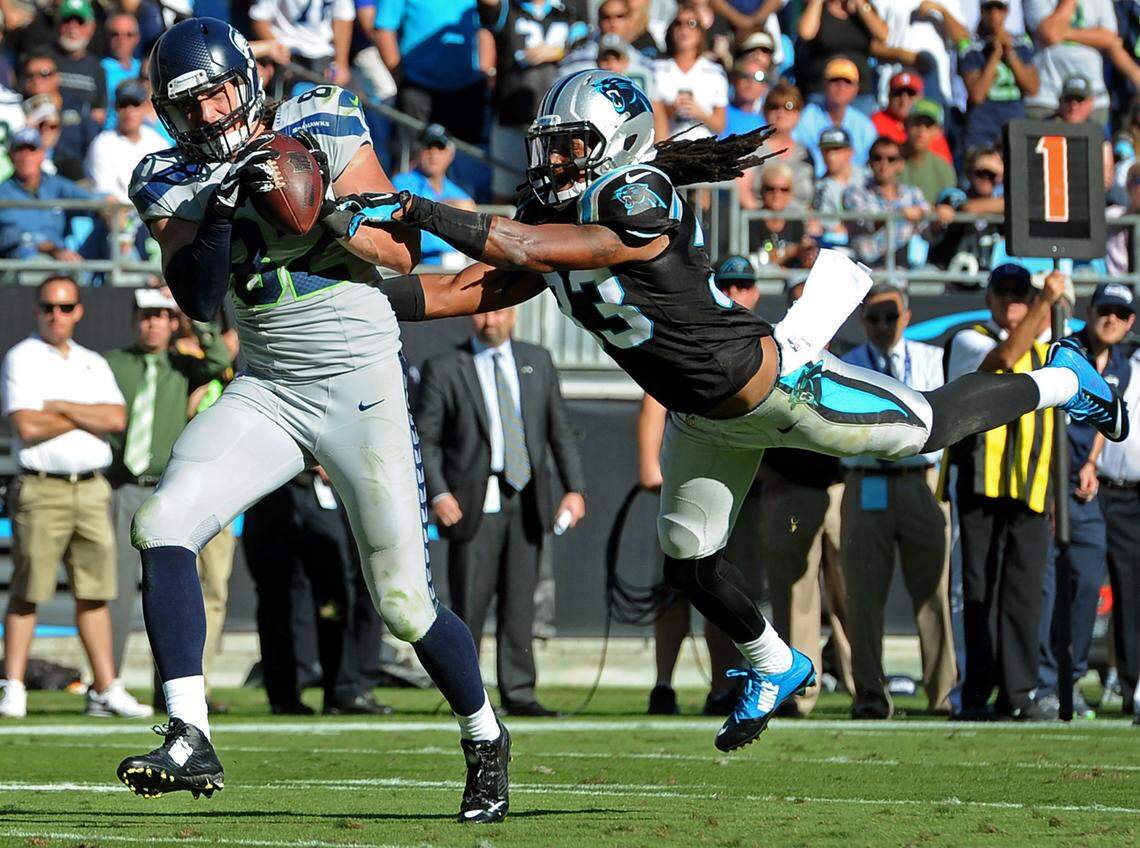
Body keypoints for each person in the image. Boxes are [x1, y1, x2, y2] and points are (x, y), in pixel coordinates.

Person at [344, 68, 1127, 750]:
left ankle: (1064, 379)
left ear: (614, 145)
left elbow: (524, 250)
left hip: (780, 387)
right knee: (687, 559)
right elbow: (459, 288)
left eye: (570, 145)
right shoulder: (557, 224)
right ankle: (774, 662)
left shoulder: (634, 193)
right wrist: (344, 294)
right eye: (549, 145)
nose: (553, 161)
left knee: (926, 425)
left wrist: (414, 208)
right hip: (702, 418)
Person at [116, 18, 511, 823]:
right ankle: (190, 732)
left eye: (219, 90)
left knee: (402, 603)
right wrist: (226, 208)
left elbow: (402, 253)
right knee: (161, 522)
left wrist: (320, 205)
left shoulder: (322, 118)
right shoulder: (167, 177)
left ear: (248, 77)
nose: (209, 113)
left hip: (361, 379)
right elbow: (194, 294)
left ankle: (484, 734)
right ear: (166, 113)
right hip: (268, 387)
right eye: (188, 105)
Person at [415, 307, 587, 717]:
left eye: (498, 312)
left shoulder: (538, 360)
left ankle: (520, 691)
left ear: (514, 314)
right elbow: (427, 438)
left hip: (527, 496)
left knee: (520, 603)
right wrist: (438, 493)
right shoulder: (445, 367)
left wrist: (575, 489)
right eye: (482, 315)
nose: (490, 321)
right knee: (468, 600)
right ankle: (465, 696)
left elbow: (558, 430)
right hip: (474, 499)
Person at [0, 275, 150, 720]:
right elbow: (26, 426)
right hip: (41, 485)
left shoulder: (91, 362)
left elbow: (117, 417)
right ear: (37, 310)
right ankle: (13, 685)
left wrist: (56, 407)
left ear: (79, 310)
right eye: (49, 306)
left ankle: (105, 687)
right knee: (29, 590)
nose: (56, 315)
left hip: (91, 485)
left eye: (65, 307)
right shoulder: (21, 357)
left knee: (96, 591)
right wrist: (85, 415)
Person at [943, 264, 1069, 720]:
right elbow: (1003, 361)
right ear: (990, 298)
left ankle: (1020, 692)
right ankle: (975, 691)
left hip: (1032, 482)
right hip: (979, 479)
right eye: (1006, 293)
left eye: (1023, 293)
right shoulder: (968, 338)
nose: (1014, 301)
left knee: (1024, 590)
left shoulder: (1052, 343)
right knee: (976, 587)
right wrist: (1046, 303)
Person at [641, 254, 764, 717]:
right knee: (678, 584)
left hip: (741, 484)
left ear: (754, 291)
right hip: (693, 474)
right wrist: (649, 467)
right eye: (727, 285)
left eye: (743, 285)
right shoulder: (694, 326)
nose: (735, 294)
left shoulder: (765, 338)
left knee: (723, 586)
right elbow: (654, 394)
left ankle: (722, 686)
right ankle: (663, 684)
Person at [103, 288, 234, 689]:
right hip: (124, 484)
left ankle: (186, 684)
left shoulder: (184, 364)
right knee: (115, 589)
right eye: (145, 315)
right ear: (133, 321)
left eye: (161, 315)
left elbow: (220, 358)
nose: (152, 323)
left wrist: (190, 312)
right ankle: (108, 684)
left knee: (187, 590)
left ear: (172, 321)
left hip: (174, 487)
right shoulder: (112, 363)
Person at [839, 282, 956, 718]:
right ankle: (869, 693)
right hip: (866, 479)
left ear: (907, 316)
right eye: (874, 318)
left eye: (891, 317)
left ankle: (944, 693)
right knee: (864, 595)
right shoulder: (847, 364)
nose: (883, 326)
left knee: (933, 592)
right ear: (862, 321)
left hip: (921, 480)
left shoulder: (929, 359)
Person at [1035, 283, 1135, 718]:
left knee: (1088, 582)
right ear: (1089, 312)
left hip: (1081, 486)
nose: (1111, 319)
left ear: (1130, 321)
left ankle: (1070, 679)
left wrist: (1090, 464)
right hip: (1045, 483)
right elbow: (1046, 420)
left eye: (1120, 312)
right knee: (1047, 586)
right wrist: (1055, 482)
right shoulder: (1064, 350)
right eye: (1104, 310)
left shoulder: (1123, 365)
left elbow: (1102, 420)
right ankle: (1044, 682)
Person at [242, 469, 395, 715]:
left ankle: (343, 690)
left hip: (317, 495)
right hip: (269, 491)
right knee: (277, 599)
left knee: (334, 596)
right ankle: (284, 694)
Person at [480, 0, 586, 201]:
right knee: (505, 192)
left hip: (559, 121)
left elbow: (588, 48)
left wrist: (558, 51)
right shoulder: (508, 9)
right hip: (512, 115)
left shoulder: (568, 13)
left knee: (560, 190)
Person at [1097, 342, 1140, 724]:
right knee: (1119, 592)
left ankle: (1131, 688)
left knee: (1130, 596)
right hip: (1106, 487)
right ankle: (1129, 688)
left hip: (1131, 494)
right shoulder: (1125, 363)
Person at [375, 0, 485, 147]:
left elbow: (487, 26)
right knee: (411, 158)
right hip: (417, 88)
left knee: (468, 163)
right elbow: (384, 29)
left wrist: (486, 68)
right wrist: (399, 76)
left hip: (466, 90)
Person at [0, 127, 98, 267]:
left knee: (113, 237)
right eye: (20, 150)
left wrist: (108, 203)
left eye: (31, 149)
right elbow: (9, 235)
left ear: (42, 155)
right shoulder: (3, 193)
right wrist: (48, 247)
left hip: (59, 257)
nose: (26, 156)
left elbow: (90, 200)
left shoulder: (54, 185)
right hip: (21, 262)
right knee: (39, 265)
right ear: (11, 156)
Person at [958, 0, 1038, 154]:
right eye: (989, 8)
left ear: (1007, 11)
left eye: (999, 8)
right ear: (982, 11)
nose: (994, 14)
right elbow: (977, 95)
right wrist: (995, 55)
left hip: (1015, 125)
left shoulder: (1022, 43)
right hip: (982, 128)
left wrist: (1010, 53)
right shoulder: (970, 47)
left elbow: (1032, 87)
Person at [391, 124, 476, 268]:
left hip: (455, 266)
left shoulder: (459, 192)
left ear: (450, 154)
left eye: (440, 148)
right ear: (418, 151)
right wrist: (453, 208)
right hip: (416, 265)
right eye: (428, 147)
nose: (433, 154)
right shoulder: (401, 182)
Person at [842, 135, 929, 267]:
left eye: (891, 159)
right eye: (878, 158)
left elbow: (928, 227)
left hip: (903, 269)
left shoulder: (913, 194)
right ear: (870, 162)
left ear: (901, 164)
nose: (884, 164)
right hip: (866, 268)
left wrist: (940, 214)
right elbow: (868, 222)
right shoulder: (855, 193)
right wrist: (899, 214)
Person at [795, 0, 888, 111]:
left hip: (860, 93)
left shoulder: (863, 9)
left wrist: (860, 4)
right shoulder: (820, 9)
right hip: (821, 91)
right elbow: (805, 33)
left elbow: (882, 35)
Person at [86, 80, 168, 203]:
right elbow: (107, 199)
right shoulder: (102, 144)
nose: (129, 112)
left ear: (145, 107)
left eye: (135, 104)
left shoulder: (157, 142)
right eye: (123, 105)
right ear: (116, 108)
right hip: (121, 215)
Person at [793, 56, 877, 177]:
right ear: (824, 84)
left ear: (856, 89)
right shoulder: (807, 117)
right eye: (835, 80)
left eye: (847, 81)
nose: (841, 86)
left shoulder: (864, 125)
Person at [653, 9, 728, 139]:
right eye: (678, 23)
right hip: (668, 148)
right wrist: (671, 109)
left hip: (703, 149)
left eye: (691, 23)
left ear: (700, 32)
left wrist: (700, 113)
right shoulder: (656, 70)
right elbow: (650, 118)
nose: (684, 29)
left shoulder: (715, 73)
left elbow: (720, 126)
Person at [738, 83, 814, 210]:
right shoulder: (753, 149)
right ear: (764, 111)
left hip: (799, 225)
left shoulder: (805, 153)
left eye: (789, 106)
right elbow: (742, 191)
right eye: (773, 106)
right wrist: (763, 221)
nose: (781, 112)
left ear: (798, 113)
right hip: (759, 223)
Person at [249, 0, 354, 85]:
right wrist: (276, 48)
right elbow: (260, 18)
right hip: (287, 56)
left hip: (323, 56)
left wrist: (341, 64)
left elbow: (343, 17)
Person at [871, 72, 953, 164]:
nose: (904, 98)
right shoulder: (875, 122)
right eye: (898, 93)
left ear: (921, 97)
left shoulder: (930, 125)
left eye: (911, 93)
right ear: (889, 95)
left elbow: (944, 163)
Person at [51, 0, 107, 127]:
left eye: (80, 22)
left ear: (91, 27)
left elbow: (100, 113)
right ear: (58, 24)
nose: (73, 27)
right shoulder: (43, 58)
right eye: (67, 20)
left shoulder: (97, 68)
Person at [811, 126, 863, 247]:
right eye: (826, 150)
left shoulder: (866, 178)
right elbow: (831, 226)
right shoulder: (820, 187)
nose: (831, 155)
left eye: (836, 149)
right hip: (839, 246)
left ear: (850, 152)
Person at [899, 99, 956, 205]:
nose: (921, 131)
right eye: (916, 124)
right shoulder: (889, 160)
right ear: (906, 126)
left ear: (938, 132)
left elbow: (947, 206)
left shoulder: (944, 169)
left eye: (928, 126)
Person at [100, 13, 142, 130]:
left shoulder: (144, 68)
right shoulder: (99, 70)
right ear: (107, 37)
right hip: (113, 136)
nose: (122, 40)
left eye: (129, 34)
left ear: (137, 38)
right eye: (115, 34)